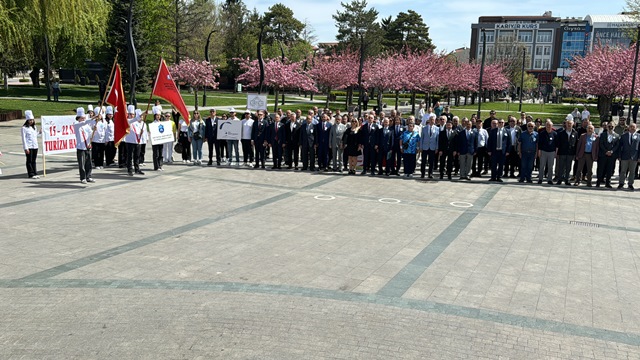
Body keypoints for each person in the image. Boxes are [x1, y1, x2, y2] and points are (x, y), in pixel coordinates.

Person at [73, 107, 95, 184]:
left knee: (89, 162)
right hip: (81, 147)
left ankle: (88, 176)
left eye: (84, 118)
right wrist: (92, 118)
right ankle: (83, 178)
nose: (83, 119)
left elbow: (91, 133)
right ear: (78, 118)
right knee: (82, 163)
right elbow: (83, 123)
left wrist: (94, 131)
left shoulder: (87, 126)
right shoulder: (76, 125)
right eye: (82, 118)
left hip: (87, 146)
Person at [123, 105, 146, 176]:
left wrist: (141, 133)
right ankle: (129, 169)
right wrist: (143, 114)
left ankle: (137, 169)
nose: (132, 115)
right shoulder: (128, 121)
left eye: (133, 114)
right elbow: (135, 119)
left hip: (137, 141)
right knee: (130, 156)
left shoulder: (137, 122)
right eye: (130, 114)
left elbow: (138, 131)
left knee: (137, 156)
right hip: (129, 141)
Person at [555, 115, 578, 186]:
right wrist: (557, 153)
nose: (569, 125)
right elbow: (558, 143)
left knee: (568, 167)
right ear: (565, 124)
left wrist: (575, 154)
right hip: (562, 152)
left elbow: (576, 144)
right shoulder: (561, 133)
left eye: (570, 124)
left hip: (570, 153)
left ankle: (566, 179)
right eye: (567, 124)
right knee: (561, 167)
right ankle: (559, 179)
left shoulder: (575, 133)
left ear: (573, 124)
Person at [596, 122, 620, 188]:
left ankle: (608, 183)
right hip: (603, 154)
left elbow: (617, 145)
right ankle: (598, 182)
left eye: (612, 126)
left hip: (612, 156)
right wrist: (606, 151)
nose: (610, 127)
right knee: (601, 168)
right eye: (609, 126)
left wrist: (611, 151)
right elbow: (601, 144)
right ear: (607, 127)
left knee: (609, 170)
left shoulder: (617, 136)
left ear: (614, 127)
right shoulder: (603, 134)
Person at [488, 118, 511, 183]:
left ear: (504, 123)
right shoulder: (493, 131)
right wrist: (489, 150)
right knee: (493, 164)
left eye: (502, 122)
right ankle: (493, 177)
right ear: (497, 123)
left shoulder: (507, 131)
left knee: (501, 165)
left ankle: (499, 177)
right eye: (500, 122)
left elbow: (509, 142)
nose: (501, 124)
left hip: (502, 151)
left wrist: (508, 151)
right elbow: (489, 141)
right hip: (494, 150)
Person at [618, 122, 640, 190]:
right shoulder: (624, 136)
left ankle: (630, 184)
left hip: (634, 157)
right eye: (631, 127)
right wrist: (619, 156)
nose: (632, 128)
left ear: (636, 128)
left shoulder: (639, 136)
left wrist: (639, 157)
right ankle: (621, 183)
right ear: (628, 128)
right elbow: (620, 146)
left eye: (634, 127)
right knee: (623, 171)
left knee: (632, 172)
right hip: (625, 156)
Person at [537, 119, 557, 185]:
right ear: (545, 126)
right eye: (547, 125)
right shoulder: (542, 133)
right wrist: (539, 151)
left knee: (550, 166)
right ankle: (540, 179)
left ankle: (549, 179)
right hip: (543, 151)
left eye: (549, 125)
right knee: (542, 166)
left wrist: (555, 152)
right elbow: (539, 143)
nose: (548, 126)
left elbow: (556, 144)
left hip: (551, 152)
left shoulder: (555, 133)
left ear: (552, 126)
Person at [21, 110, 40, 179]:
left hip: (35, 146)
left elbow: (35, 136)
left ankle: (35, 172)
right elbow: (24, 139)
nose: (31, 121)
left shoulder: (34, 127)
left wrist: (39, 132)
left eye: (32, 120)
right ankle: (31, 173)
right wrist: (26, 148)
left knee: (34, 160)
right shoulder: (24, 128)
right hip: (29, 146)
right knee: (29, 160)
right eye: (30, 120)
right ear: (27, 120)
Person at [419, 114, 439, 179]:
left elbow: (437, 139)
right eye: (430, 120)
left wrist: (436, 148)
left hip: (432, 147)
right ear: (429, 120)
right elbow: (422, 138)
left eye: (433, 120)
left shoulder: (437, 129)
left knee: (431, 162)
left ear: (434, 121)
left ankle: (430, 173)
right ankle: (422, 173)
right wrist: (421, 147)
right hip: (425, 147)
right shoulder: (424, 128)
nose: (432, 121)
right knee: (423, 161)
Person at [150, 106, 164, 171]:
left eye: (159, 115)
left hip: (161, 141)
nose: (158, 117)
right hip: (155, 141)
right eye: (157, 115)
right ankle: (156, 166)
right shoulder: (153, 124)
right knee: (156, 154)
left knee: (161, 154)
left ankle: (160, 165)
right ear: (155, 116)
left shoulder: (162, 123)